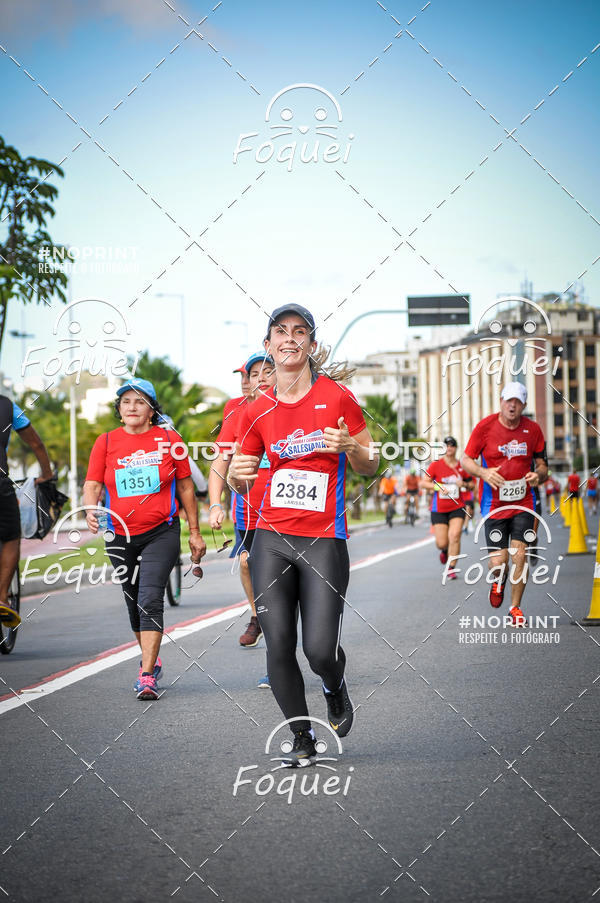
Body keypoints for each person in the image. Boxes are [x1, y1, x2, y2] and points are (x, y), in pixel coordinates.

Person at [229, 303, 378, 766]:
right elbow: (241, 476)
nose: (290, 338)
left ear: (312, 345)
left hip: (323, 539)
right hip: (270, 537)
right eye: (280, 332)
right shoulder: (257, 409)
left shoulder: (337, 398)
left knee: (318, 650)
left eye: (300, 332)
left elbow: (372, 464)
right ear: (268, 346)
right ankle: (301, 736)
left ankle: (334, 687)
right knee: (278, 644)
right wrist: (236, 475)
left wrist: (352, 446)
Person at [83, 378, 206, 700]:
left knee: (150, 597)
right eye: (126, 402)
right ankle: (151, 658)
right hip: (119, 533)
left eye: (140, 402)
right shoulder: (106, 442)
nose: (132, 407)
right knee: (133, 598)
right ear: (119, 410)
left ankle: (147, 673)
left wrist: (194, 531)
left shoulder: (170, 440)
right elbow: (93, 483)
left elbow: (186, 487)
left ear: (152, 410)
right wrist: (89, 509)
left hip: (161, 531)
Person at [461, 382, 547, 626]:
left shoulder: (533, 430)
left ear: (524, 405)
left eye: (518, 401)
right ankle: (498, 580)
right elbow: (466, 459)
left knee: (520, 554)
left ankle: (515, 608)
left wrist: (538, 475)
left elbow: (543, 465)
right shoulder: (485, 427)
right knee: (499, 563)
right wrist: (483, 472)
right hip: (494, 504)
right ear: (501, 401)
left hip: (524, 503)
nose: (512, 405)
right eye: (509, 400)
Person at [208, 353, 275, 652]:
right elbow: (220, 462)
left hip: (285, 510)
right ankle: (257, 613)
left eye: (265, 372)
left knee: (279, 578)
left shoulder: (287, 405)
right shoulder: (235, 409)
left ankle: (278, 649)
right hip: (248, 508)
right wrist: (215, 503)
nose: (255, 379)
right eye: (251, 374)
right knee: (248, 562)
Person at [0, 395, 53, 628]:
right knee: (12, 536)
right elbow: (36, 444)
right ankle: (2, 597)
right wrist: (47, 474)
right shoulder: (7, 405)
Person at [421, 437, 473, 581]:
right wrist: (438, 486)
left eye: (452, 446)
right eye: (447, 446)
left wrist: (463, 484)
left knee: (455, 536)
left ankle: (451, 568)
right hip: (439, 508)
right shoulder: (436, 465)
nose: (449, 448)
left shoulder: (462, 466)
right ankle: (445, 550)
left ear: (456, 448)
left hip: (457, 506)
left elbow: (472, 485)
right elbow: (424, 483)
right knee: (442, 543)